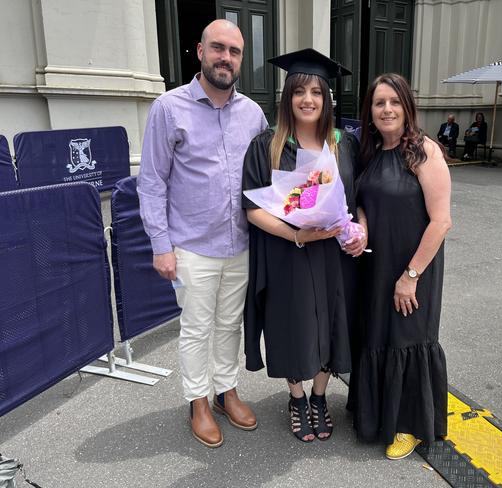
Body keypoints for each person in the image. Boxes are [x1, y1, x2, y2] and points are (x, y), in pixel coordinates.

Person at [137, 19, 268, 448]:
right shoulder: (169, 108)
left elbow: (268, 178)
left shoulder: (253, 113)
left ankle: (225, 390)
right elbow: (153, 181)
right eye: (218, 48)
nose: (225, 58)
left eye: (234, 51)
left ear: (241, 59)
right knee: (196, 327)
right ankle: (197, 400)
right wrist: (161, 246)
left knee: (230, 323)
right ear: (199, 51)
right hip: (191, 246)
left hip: (241, 243)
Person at [241, 48, 364, 443]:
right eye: (299, 91)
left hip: (333, 255)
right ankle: (296, 398)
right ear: (287, 98)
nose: (308, 99)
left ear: (327, 98)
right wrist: (296, 233)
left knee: (331, 324)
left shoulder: (345, 145)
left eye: (316, 91)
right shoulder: (267, 145)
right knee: (292, 324)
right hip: (288, 252)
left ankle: (319, 396)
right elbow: (252, 208)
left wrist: (359, 230)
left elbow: (358, 199)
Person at [353, 73, 451, 460]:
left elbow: (441, 221)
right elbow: (363, 199)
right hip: (376, 266)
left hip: (413, 268)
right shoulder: (371, 150)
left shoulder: (424, 151)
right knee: (379, 334)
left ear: (407, 107)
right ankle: (378, 415)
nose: (387, 109)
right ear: (371, 112)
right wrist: (361, 221)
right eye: (379, 103)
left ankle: (409, 423)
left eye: (395, 102)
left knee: (408, 338)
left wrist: (410, 277)